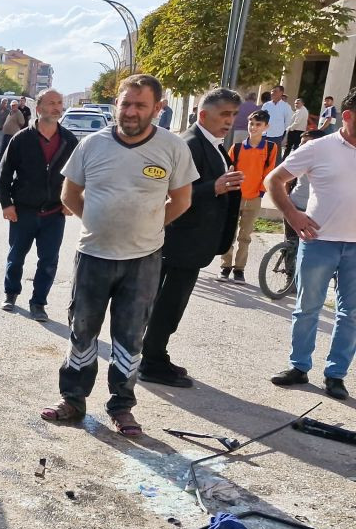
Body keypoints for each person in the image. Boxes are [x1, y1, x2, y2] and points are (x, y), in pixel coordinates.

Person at [41, 74, 198, 436]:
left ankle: (122, 407)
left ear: (158, 108)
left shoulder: (173, 148)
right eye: (125, 104)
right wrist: (98, 224)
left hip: (143, 260)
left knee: (130, 336)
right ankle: (73, 399)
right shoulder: (92, 145)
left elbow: (183, 200)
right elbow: (70, 195)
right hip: (93, 255)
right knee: (82, 330)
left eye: (140, 105)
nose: (130, 112)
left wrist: (149, 230)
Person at [140, 88, 244, 388]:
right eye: (224, 114)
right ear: (203, 115)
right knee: (167, 303)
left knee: (173, 303)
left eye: (234, 115)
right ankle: (151, 361)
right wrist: (215, 186)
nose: (230, 121)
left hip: (194, 243)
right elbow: (170, 193)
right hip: (179, 241)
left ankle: (155, 354)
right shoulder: (189, 144)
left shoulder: (213, 144)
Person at [266, 87, 356, 401]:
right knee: (307, 309)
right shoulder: (319, 148)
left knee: (351, 315)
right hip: (319, 242)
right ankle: (299, 367)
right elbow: (274, 179)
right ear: (347, 117)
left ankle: (336, 375)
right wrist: (292, 214)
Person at [0, 89, 77, 322]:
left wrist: (71, 203)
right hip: (24, 211)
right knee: (16, 256)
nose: (56, 107)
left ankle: (38, 303)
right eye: (51, 103)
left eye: (59, 103)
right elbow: (5, 172)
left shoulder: (69, 140)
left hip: (54, 213)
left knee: (49, 260)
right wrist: (6, 204)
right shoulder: (22, 139)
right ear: (39, 109)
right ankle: (10, 294)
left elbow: (79, 176)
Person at [218, 109, 278, 282]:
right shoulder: (236, 148)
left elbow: (269, 172)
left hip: (254, 198)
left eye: (258, 125)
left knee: (245, 236)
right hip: (235, 196)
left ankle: (239, 269)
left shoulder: (270, 148)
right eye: (252, 124)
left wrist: (260, 192)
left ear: (266, 127)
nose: (254, 127)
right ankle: (225, 267)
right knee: (229, 232)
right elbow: (228, 171)